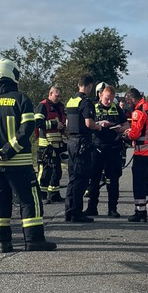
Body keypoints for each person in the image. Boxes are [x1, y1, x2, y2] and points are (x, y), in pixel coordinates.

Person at [0, 59, 57, 252]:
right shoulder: (21, 99)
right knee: (29, 199)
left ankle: (3, 242)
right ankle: (34, 240)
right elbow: (27, 129)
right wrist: (9, 150)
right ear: (12, 75)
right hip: (18, 162)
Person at [86, 85, 127, 218]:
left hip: (113, 148)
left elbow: (127, 124)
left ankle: (112, 209)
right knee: (94, 180)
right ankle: (92, 208)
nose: (109, 102)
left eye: (111, 99)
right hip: (96, 148)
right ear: (101, 95)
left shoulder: (117, 108)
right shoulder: (93, 107)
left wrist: (120, 128)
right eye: (107, 99)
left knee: (113, 181)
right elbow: (87, 123)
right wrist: (99, 124)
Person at [63, 74, 99, 223]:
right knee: (81, 179)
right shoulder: (86, 102)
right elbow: (89, 123)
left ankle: (69, 211)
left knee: (72, 178)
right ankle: (77, 213)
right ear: (89, 86)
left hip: (71, 142)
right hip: (82, 143)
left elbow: (66, 124)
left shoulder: (71, 101)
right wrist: (99, 127)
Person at [124, 88, 148, 223]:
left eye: (128, 101)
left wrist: (126, 134)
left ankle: (140, 213)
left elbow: (135, 134)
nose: (128, 104)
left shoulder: (138, 112)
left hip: (142, 152)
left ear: (133, 99)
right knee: (145, 182)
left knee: (138, 184)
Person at [36, 86, 67, 203]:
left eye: (59, 96)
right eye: (56, 96)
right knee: (45, 171)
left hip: (58, 144)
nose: (58, 98)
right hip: (46, 145)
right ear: (50, 94)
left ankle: (54, 194)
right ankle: (41, 195)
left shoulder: (60, 106)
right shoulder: (42, 106)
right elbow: (38, 122)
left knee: (57, 171)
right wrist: (54, 125)